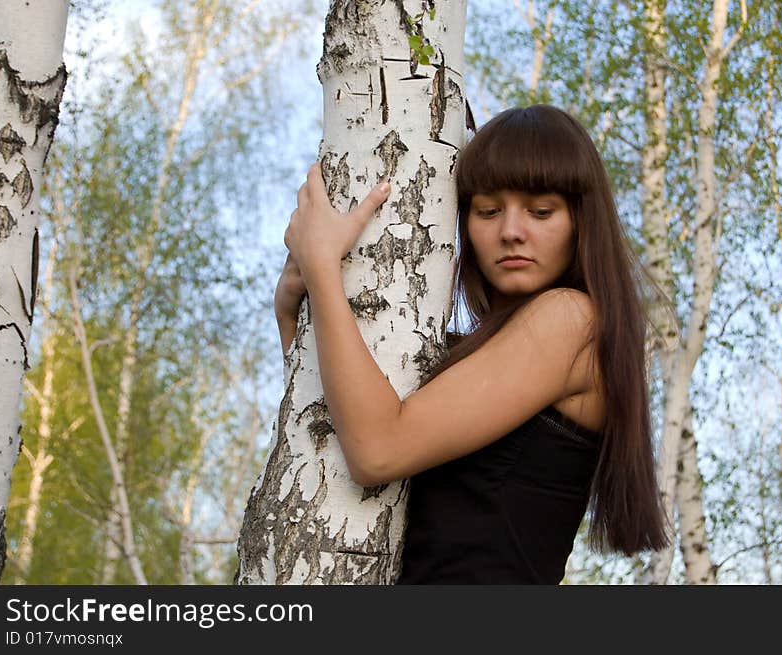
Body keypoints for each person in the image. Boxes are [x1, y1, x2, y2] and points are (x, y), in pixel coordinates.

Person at [274, 104, 669, 584]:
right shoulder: (487, 351)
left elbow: (376, 450)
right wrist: (291, 314)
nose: (511, 232)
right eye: (487, 210)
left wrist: (323, 269)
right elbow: (336, 430)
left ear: (581, 222)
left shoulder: (571, 319)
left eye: (541, 211)